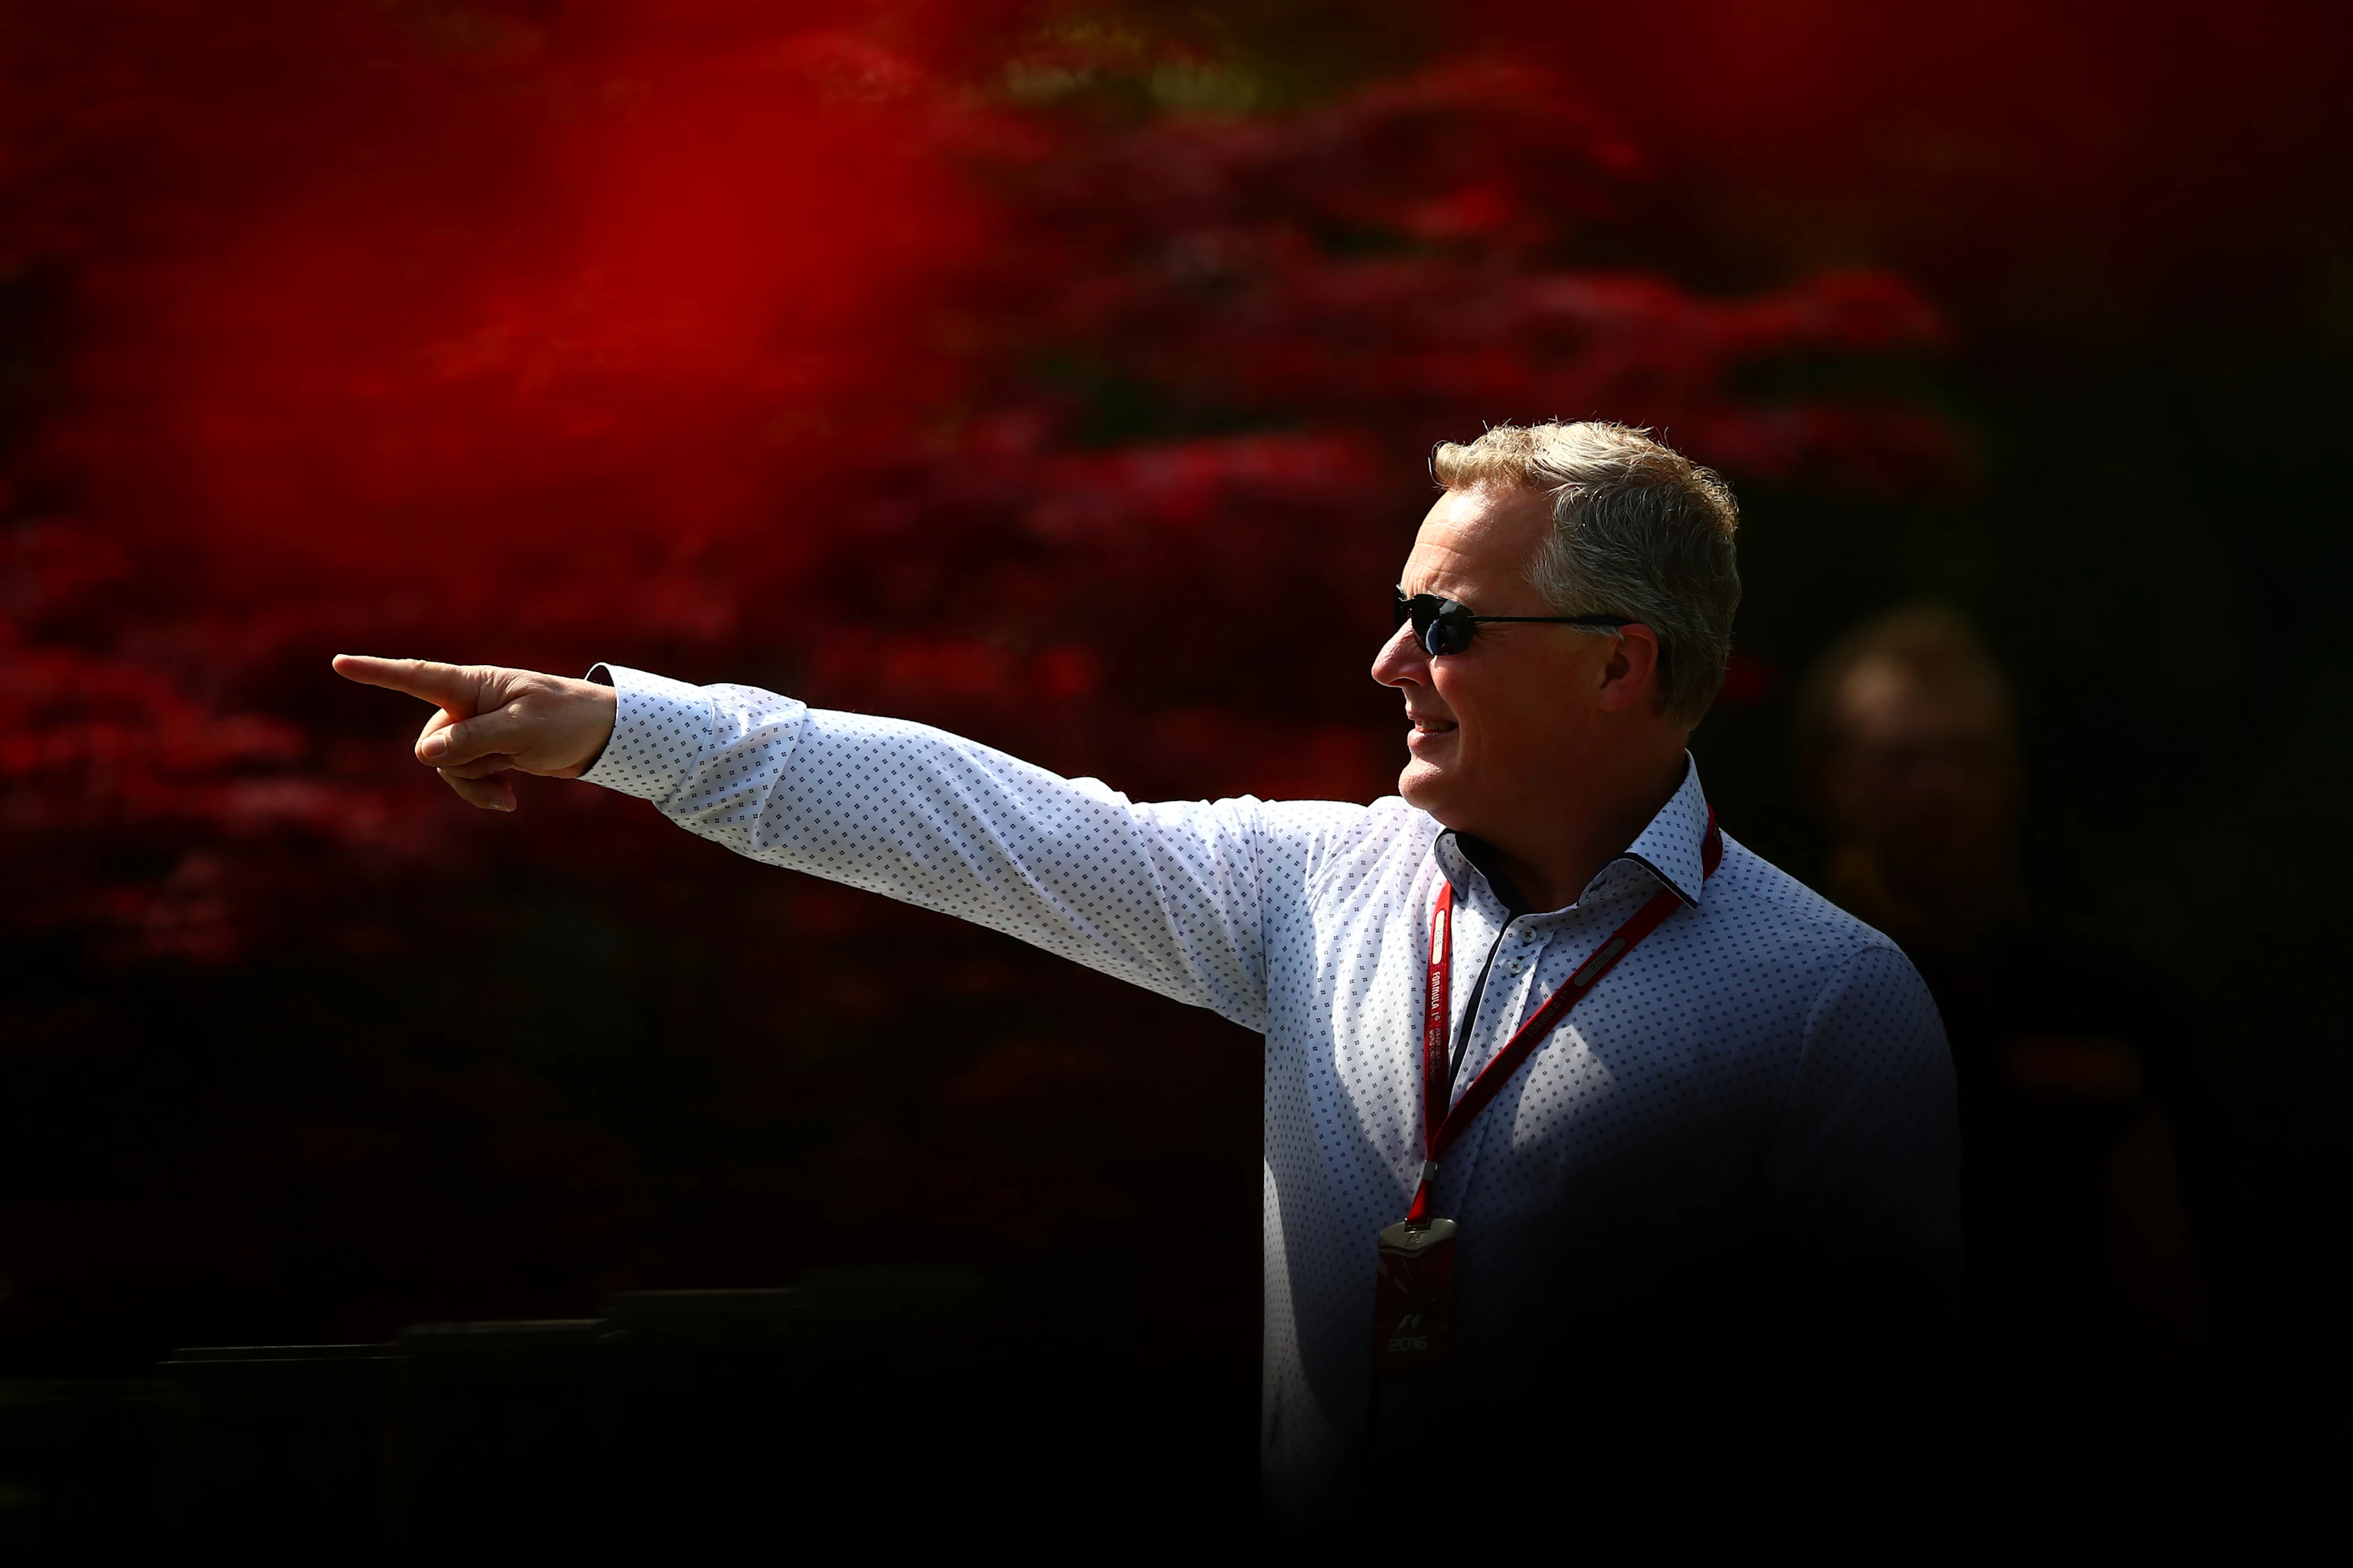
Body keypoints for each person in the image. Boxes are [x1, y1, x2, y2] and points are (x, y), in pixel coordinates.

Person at [335, 420, 1958, 1522]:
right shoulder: (1315, 886)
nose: (1388, 659)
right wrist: (622, 728)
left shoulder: (1824, 998)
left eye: (1447, 623)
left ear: (1621, 664)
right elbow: (979, 823)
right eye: (1399, 612)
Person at [1794, 608, 2211, 1450]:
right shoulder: (1769, 992)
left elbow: (2173, 1270)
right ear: (1832, 778)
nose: (1939, 788)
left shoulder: (2107, 999)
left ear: (2012, 771)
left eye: (1968, 755)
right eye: (1901, 758)